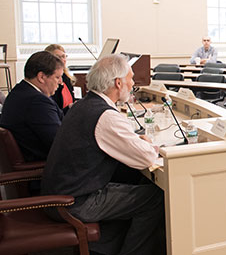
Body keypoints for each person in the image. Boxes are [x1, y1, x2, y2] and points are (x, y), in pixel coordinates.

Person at [41, 54, 164, 254]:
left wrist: (133, 143)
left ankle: (110, 246)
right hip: (75, 202)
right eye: (130, 78)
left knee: (136, 183)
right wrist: (148, 144)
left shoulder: (83, 105)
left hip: (62, 192)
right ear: (118, 83)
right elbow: (147, 158)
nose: (133, 84)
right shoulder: (106, 116)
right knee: (154, 198)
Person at [0, 51, 64, 162]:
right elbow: (59, 143)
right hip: (40, 168)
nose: (60, 82)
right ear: (41, 77)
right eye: (57, 77)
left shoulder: (19, 92)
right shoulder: (37, 102)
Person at [45, 44, 76, 113]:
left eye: (63, 56)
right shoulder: (48, 81)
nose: (62, 60)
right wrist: (69, 108)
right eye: (58, 57)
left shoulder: (67, 78)